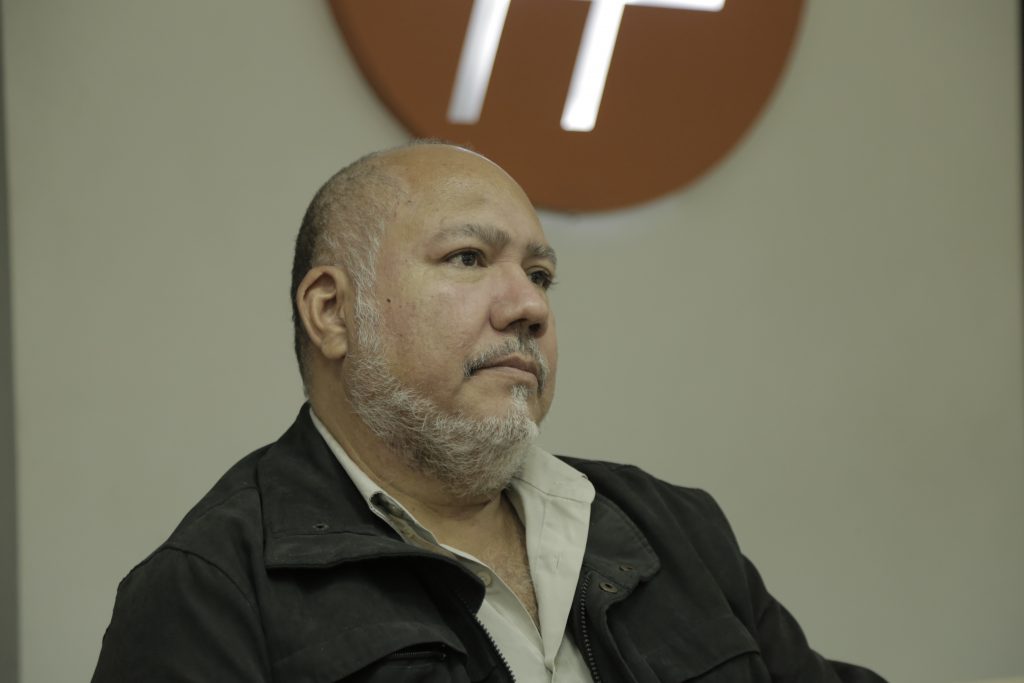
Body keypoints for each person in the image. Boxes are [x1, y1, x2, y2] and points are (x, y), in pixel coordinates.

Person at [92, 142, 886, 682]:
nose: (529, 306)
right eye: (468, 258)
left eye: (540, 274)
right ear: (332, 312)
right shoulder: (209, 593)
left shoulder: (673, 528)